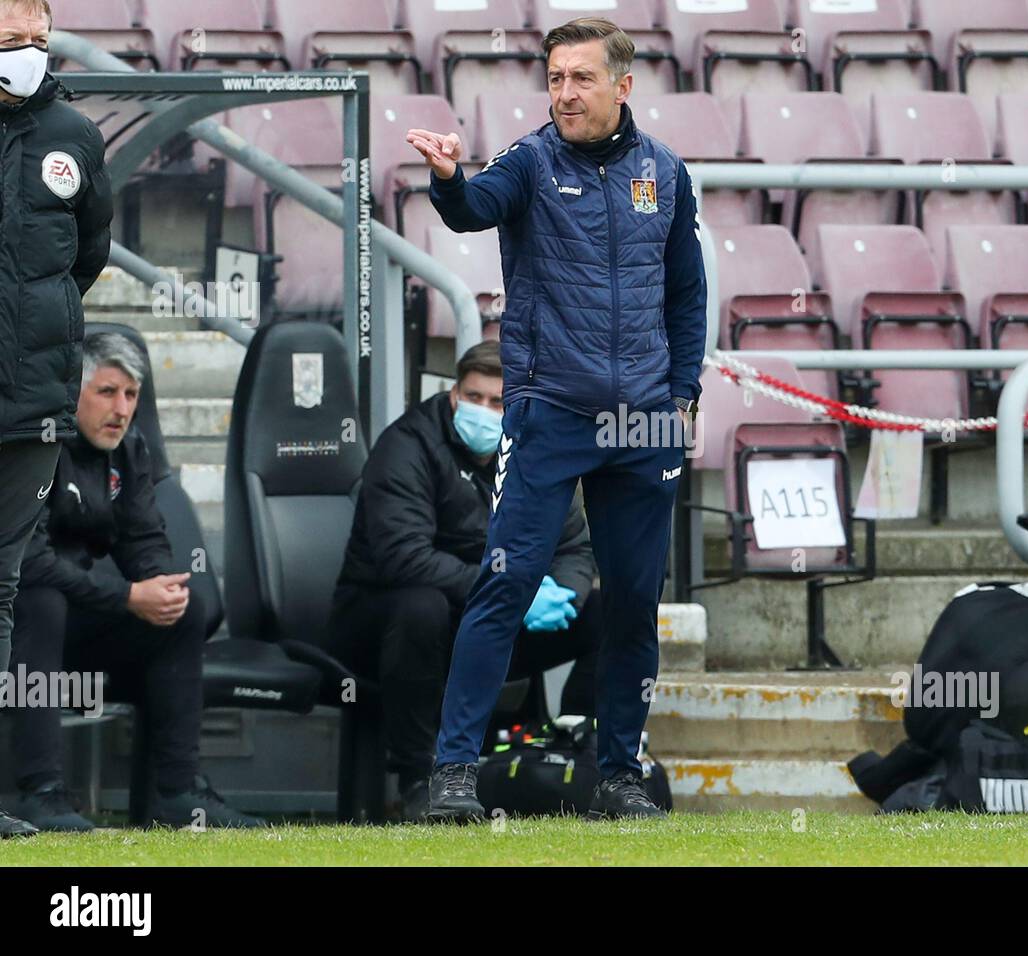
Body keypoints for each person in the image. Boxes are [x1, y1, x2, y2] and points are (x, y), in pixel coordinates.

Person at [405, 17, 706, 821]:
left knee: (635, 603)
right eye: (556, 78)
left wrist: (682, 397)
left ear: (622, 85)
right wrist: (446, 178)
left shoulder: (666, 175)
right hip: (550, 413)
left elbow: (687, 294)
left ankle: (617, 773)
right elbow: (472, 209)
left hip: (643, 423)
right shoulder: (531, 162)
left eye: (580, 78)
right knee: (504, 586)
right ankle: (456, 773)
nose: (565, 93)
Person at [327, 341, 605, 822]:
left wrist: (563, 590)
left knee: (609, 612)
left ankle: (581, 750)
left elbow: (574, 547)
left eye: (498, 402)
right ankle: (420, 780)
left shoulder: (537, 451)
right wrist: (513, 595)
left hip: (488, 620)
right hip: (383, 619)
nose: (483, 410)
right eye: (473, 397)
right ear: (453, 394)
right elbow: (404, 559)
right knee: (422, 607)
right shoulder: (407, 445)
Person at [8, 333, 264, 831]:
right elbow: (28, 561)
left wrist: (158, 587)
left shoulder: (129, 450)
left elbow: (144, 539)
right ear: (71, 393)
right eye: (106, 392)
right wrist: (127, 595)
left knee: (181, 610)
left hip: (81, 621)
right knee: (41, 601)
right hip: (19, 629)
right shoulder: (34, 447)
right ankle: (42, 794)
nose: (121, 409)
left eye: (131, 395)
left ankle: (178, 794)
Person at [0, 0, 113, 838]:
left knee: (0, 591)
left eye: (39, 39)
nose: (29, 53)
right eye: (11, 40)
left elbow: (90, 254)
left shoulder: (74, 134)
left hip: (30, 404)